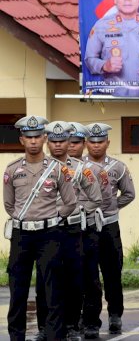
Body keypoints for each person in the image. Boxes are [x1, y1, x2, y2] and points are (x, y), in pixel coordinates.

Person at [3, 115, 77, 341]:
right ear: (21, 140)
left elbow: (70, 201)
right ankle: (17, 336)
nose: (33, 141)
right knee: (17, 289)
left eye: (37, 136)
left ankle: (55, 335)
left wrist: (53, 217)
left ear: (44, 138)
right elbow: (8, 204)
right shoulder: (13, 169)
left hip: (49, 235)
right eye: (28, 137)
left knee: (52, 288)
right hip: (22, 234)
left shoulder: (58, 168)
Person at [33, 121, 102, 341]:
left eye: (62, 141)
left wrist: (80, 210)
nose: (58, 146)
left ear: (69, 141)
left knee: (74, 279)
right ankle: (45, 327)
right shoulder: (37, 168)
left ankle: (72, 326)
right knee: (45, 281)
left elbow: (96, 198)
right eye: (53, 141)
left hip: (72, 230)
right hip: (45, 230)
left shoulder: (82, 169)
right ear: (47, 142)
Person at [84, 122, 136, 336]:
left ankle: (115, 315)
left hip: (108, 226)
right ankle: (89, 319)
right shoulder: (77, 165)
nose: (96, 146)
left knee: (112, 273)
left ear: (107, 142)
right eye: (92, 142)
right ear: (86, 142)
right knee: (88, 275)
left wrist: (112, 207)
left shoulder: (118, 167)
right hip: (86, 226)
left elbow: (129, 193)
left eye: (100, 142)